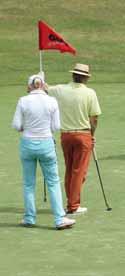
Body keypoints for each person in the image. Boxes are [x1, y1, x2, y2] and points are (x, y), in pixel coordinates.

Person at [12, 74, 76, 229]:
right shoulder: (52, 101)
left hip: (27, 144)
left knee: (29, 183)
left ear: (31, 86)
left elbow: (16, 125)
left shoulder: (23, 101)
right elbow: (56, 127)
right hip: (46, 143)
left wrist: (25, 127)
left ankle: (29, 217)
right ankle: (59, 219)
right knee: (53, 182)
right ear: (42, 85)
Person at [46, 63, 101, 214]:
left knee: (70, 170)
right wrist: (92, 135)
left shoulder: (60, 90)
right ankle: (73, 206)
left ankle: (71, 202)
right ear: (85, 78)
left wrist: (39, 77)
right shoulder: (90, 93)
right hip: (83, 135)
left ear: (73, 75)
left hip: (66, 136)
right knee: (79, 171)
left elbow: (44, 88)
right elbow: (94, 118)